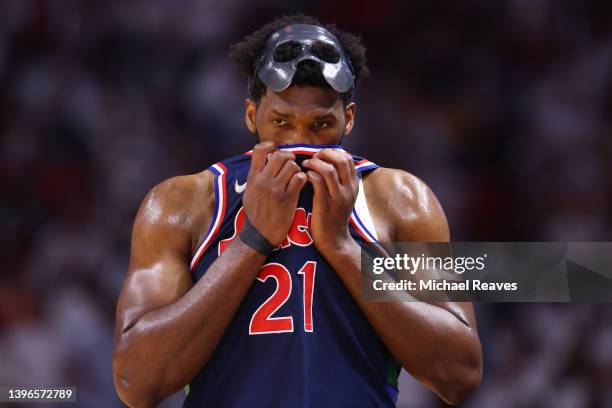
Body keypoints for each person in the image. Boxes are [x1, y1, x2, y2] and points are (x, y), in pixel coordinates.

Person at [112, 14, 482, 407]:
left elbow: (461, 374)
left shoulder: (400, 198)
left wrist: (343, 248)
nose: (300, 143)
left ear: (349, 119)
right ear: (252, 115)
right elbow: (135, 381)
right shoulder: (182, 203)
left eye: (321, 125)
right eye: (281, 122)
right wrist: (252, 240)